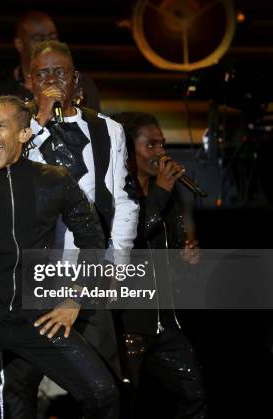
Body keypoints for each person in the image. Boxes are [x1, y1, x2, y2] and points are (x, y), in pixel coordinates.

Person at [0, 95, 119, 419]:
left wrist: (73, 301)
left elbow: (92, 238)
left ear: (24, 134)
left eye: (1, 125)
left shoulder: (53, 180)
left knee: (103, 393)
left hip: (36, 313)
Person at [0, 40, 139, 418]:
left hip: (88, 270)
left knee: (102, 382)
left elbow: (124, 200)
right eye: (43, 73)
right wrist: (38, 121)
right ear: (29, 81)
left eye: (60, 73)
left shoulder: (108, 130)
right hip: (32, 274)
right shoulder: (16, 132)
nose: (52, 80)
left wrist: (114, 264)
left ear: (76, 80)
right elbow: (4, 180)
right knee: (18, 380)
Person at [112, 111, 207, 419]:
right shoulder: (115, 192)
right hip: (128, 321)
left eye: (162, 144)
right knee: (124, 402)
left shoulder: (167, 194)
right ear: (127, 149)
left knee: (195, 395)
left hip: (164, 320)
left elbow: (169, 250)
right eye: (150, 145)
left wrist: (185, 257)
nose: (161, 152)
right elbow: (131, 242)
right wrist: (162, 192)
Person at [0, 10, 101, 151]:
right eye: (38, 39)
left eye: (53, 36)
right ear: (20, 44)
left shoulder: (79, 84)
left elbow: (97, 139)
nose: (48, 44)